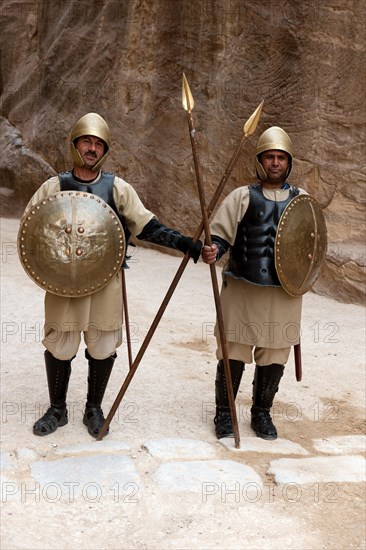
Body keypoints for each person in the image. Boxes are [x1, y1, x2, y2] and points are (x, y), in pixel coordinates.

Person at [22, 112, 201, 438]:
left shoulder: (118, 188)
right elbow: (31, 229)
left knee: (102, 345)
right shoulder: (54, 186)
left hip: (105, 282)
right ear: (75, 144)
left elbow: (148, 227)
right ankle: (57, 410)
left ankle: (94, 408)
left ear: (104, 150)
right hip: (64, 284)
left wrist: (183, 243)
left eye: (98, 144)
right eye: (86, 142)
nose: (92, 148)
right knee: (60, 343)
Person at [202, 126, 307, 441]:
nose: (275, 163)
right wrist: (214, 249)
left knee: (275, 354)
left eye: (280, 158)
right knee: (233, 350)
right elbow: (220, 234)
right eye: (269, 157)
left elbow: (310, 245)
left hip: (284, 292)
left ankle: (261, 413)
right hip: (243, 287)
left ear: (289, 162)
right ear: (260, 161)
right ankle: (225, 414)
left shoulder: (303, 200)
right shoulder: (241, 196)